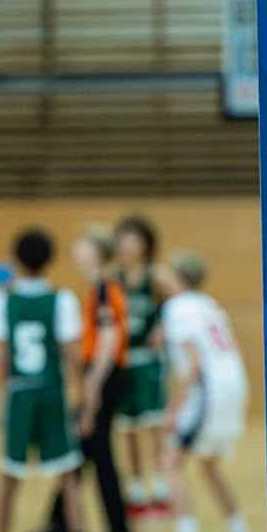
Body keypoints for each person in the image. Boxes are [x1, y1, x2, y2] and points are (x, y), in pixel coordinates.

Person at [0, 229, 99, 532]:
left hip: (20, 396)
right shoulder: (63, 300)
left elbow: (3, 359)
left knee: (9, 482)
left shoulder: (3, 302)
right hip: (52, 395)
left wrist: (1, 405)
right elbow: (74, 359)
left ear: (18, 259)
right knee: (69, 479)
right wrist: (88, 403)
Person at [34, 225, 133, 532]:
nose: (76, 250)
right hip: (103, 375)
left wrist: (91, 389)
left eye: (83, 244)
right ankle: (62, 521)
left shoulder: (105, 287)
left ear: (96, 251)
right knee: (81, 450)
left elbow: (110, 340)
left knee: (96, 451)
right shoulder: (98, 286)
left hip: (104, 375)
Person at [156, 251, 254, 532]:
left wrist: (173, 409)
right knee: (210, 467)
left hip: (208, 391)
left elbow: (193, 363)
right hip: (234, 386)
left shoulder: (177, 307)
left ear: (176, 276)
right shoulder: (208, 304)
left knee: (170, 463)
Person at [114, 215, 170, 516]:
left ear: (146, 242)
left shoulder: (157, 275)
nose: (126, 243)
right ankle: (136, 493)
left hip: (150, 364)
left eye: (132, 237)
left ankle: (162, 490)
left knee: (154, 428)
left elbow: (178, 304)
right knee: (129, 430)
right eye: (123, 237)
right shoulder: (116, 279)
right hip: (126, 362)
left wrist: (163, 328)